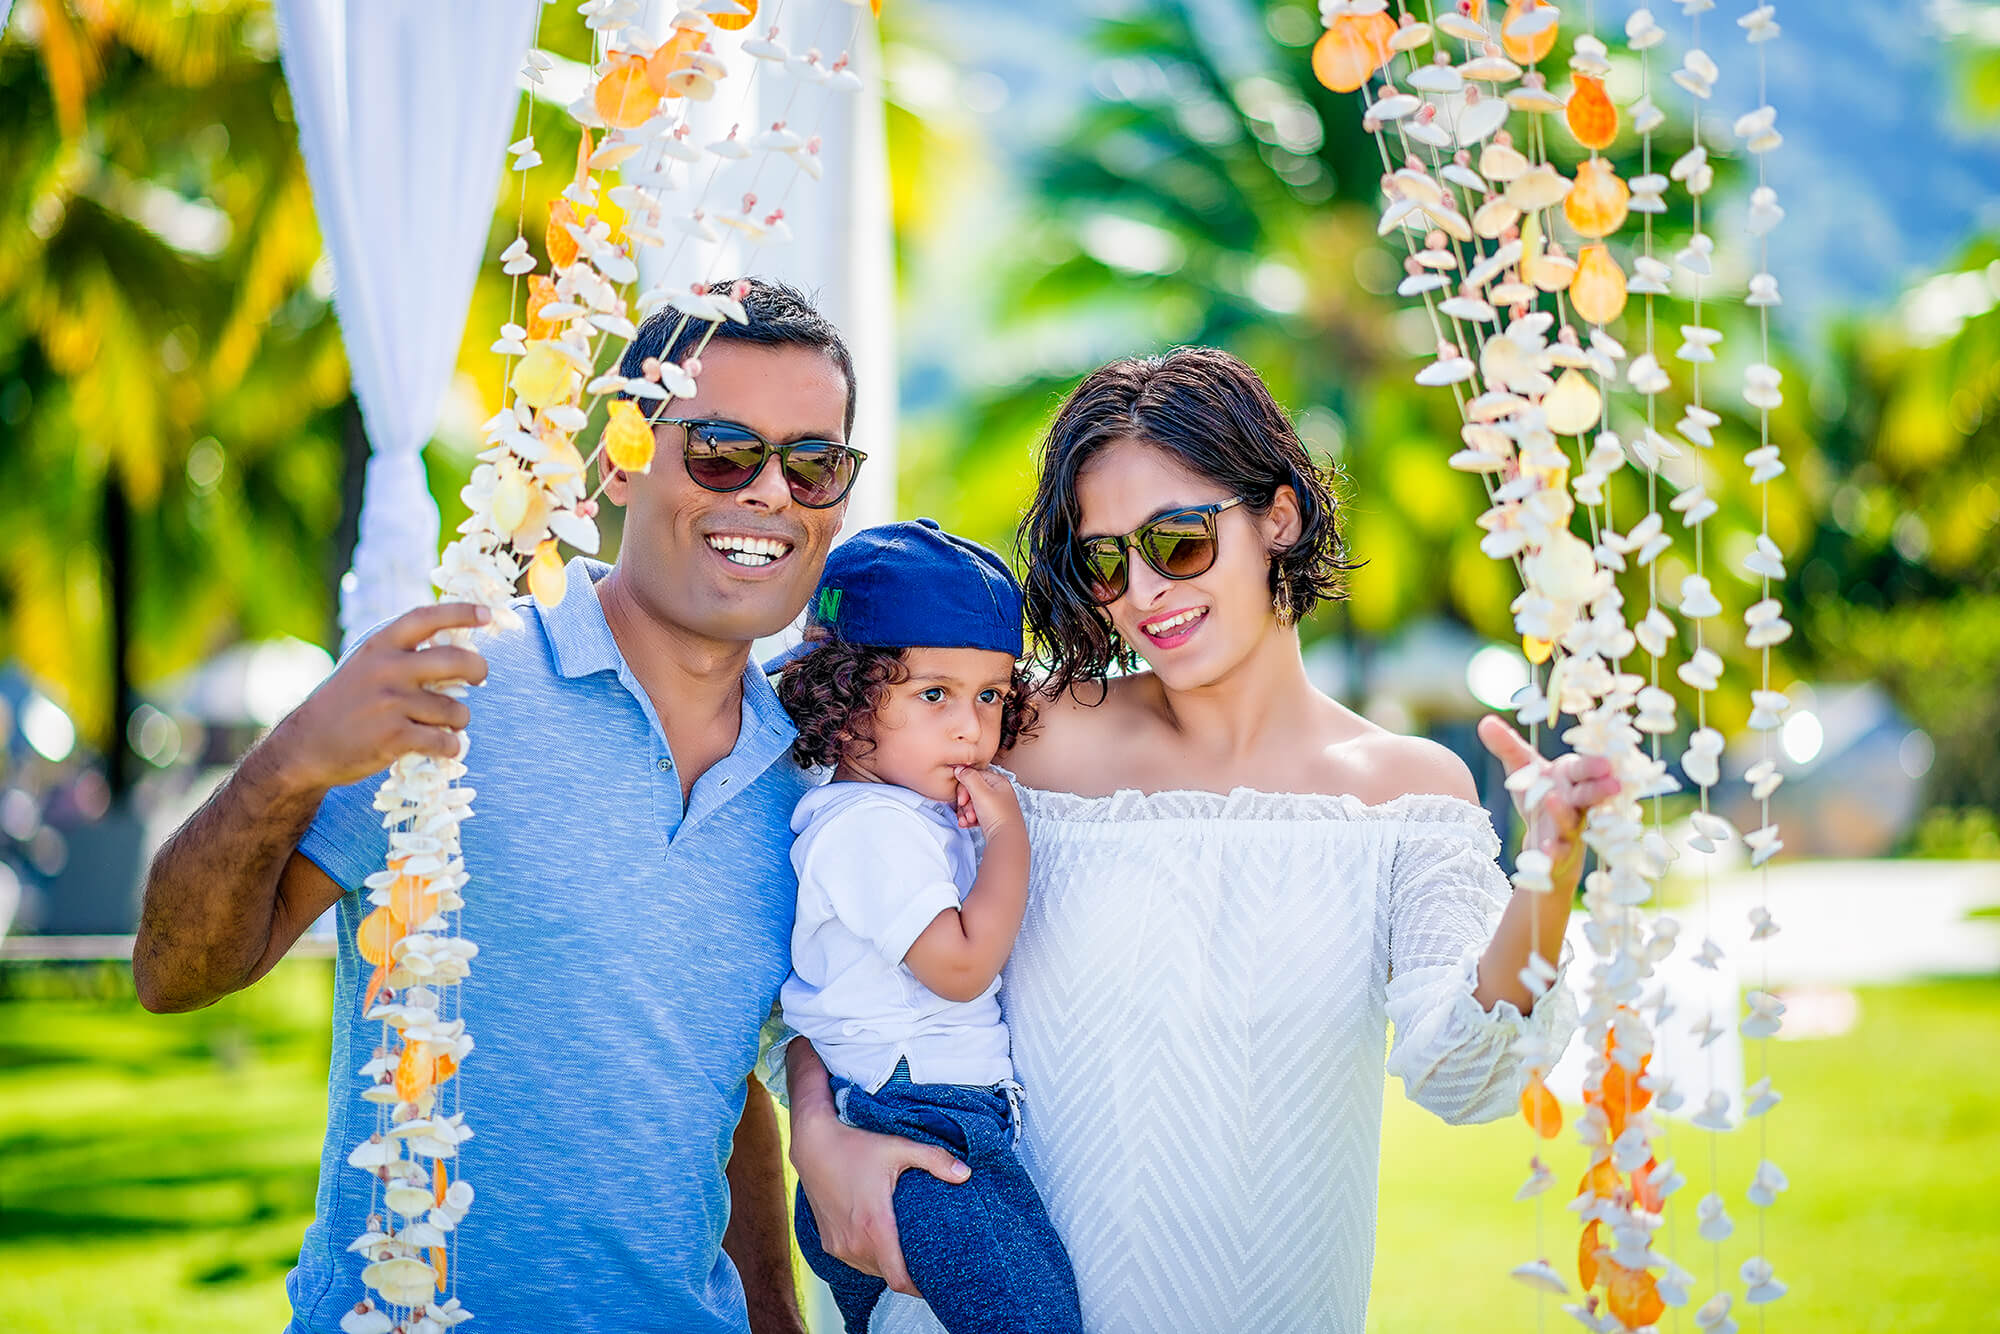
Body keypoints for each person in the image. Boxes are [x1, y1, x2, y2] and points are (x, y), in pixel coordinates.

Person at [131, 280, 968, 1334]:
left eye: (811, 463)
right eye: (720, 449)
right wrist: (290, 759)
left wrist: (773, 1315)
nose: (768, 494)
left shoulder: (811, 782)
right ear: (619, 455)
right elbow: (174, 974)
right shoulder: (451, 686)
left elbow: (710, 1076)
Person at [783, 346, 1620, 1334]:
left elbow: (1469, 1072)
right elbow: (825, 935)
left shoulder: (1404, 792)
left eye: (1176, 540)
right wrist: (816, 1135)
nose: (1142, 591)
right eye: (1104, 558)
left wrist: (1548, 869)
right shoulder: (1013, 737)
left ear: (1278, 515)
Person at [771, 519, 1083, 1334]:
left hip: (902, 1116)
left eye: (990, 697)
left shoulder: (897, 813)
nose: (970, 728)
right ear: (841, 704)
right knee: (1035, 1317)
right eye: (933, 694)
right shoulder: (870, 828)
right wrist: (1010, 836)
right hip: (918, 1125)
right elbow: (959, 967)